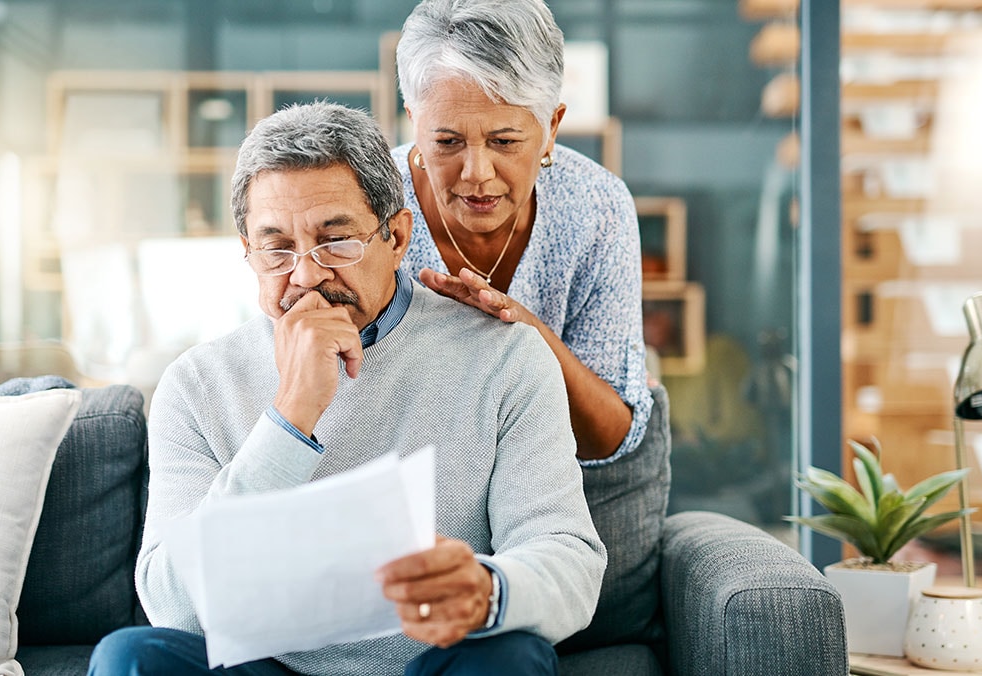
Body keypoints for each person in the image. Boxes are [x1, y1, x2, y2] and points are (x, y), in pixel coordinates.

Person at [88, 102, 606, 676]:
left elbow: (570, 563)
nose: (306, 275)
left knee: (513, 656)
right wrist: (290, 417)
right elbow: (173, 609)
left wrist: (487, 589)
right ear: (247, 252)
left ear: (398, 237)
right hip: (270, 668)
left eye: (335, 241)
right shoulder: (196, 385)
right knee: (128, 657)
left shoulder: (505, 356)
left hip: (435, 664)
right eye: (276, 248)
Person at [393, 0, 666, 650]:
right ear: (414, 122)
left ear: (551, 128)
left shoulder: (595, 208)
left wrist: (527, 332)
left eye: (507, 141)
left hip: (535, 544)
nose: (476, 172)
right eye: (447, 141)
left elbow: (613, 437)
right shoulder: (371, 200)